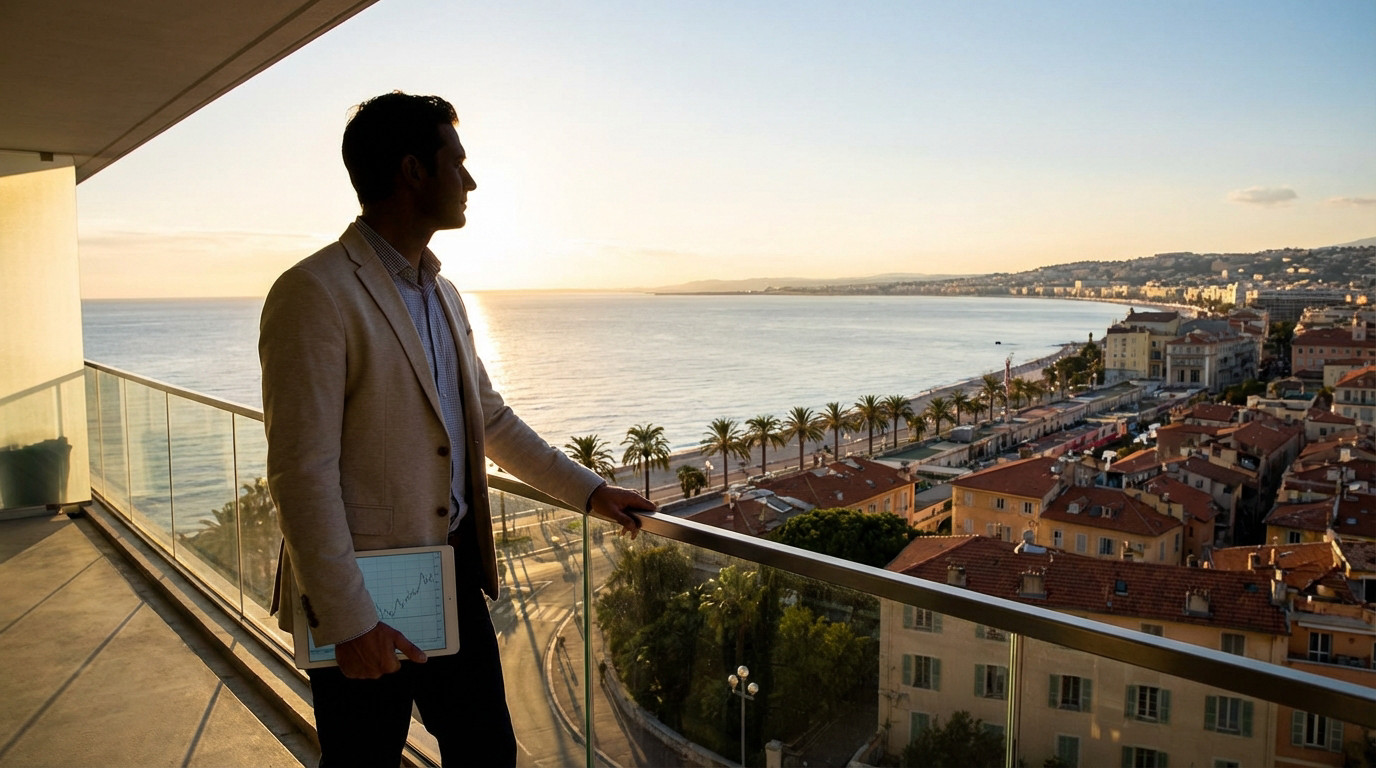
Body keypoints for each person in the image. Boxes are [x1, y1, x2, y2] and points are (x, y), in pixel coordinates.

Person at [259, 91, 655, 767]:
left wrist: (590, 491)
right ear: (413, 171)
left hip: (450, 579)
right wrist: (349, 620)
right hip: (364, 593)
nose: (470, 181)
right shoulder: (314, 292)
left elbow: (489, 418)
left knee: (488, 754)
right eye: (457, 163)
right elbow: (302, 474)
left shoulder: (443, 294)